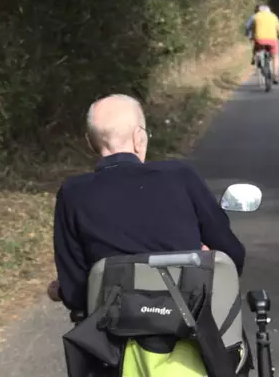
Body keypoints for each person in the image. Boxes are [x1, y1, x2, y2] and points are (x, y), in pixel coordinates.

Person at [46, 94, 245, 314]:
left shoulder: (73, 193)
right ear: (138, 137)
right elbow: (232, 258)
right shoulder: (180, 176)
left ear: (89, 142)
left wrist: (61, 291)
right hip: (191, 327)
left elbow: (76, 293)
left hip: (112, 337)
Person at [243, 3, 279, 85]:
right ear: (269, 10)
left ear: (259, 10)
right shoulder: (274, 16)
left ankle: (256, 59)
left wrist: (247, 34)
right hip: (272, 40)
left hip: (259, 40)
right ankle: (275, 76)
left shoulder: (255, 16)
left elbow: (248, 26)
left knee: (256, 48)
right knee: (275, 56)